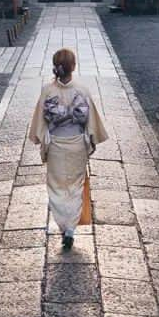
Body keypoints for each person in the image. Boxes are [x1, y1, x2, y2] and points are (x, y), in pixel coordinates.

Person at [27, 46, 109, 249]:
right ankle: (70, 228)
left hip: (56, 143)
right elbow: (91, 122)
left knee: (56, 186)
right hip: (76, 145)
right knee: (75, 185)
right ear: (73, 66)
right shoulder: (82, 90)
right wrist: (92, 139)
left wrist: (39, 138)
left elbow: (40, 122)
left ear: (56, 67)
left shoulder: (47, 91)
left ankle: (63, 226)